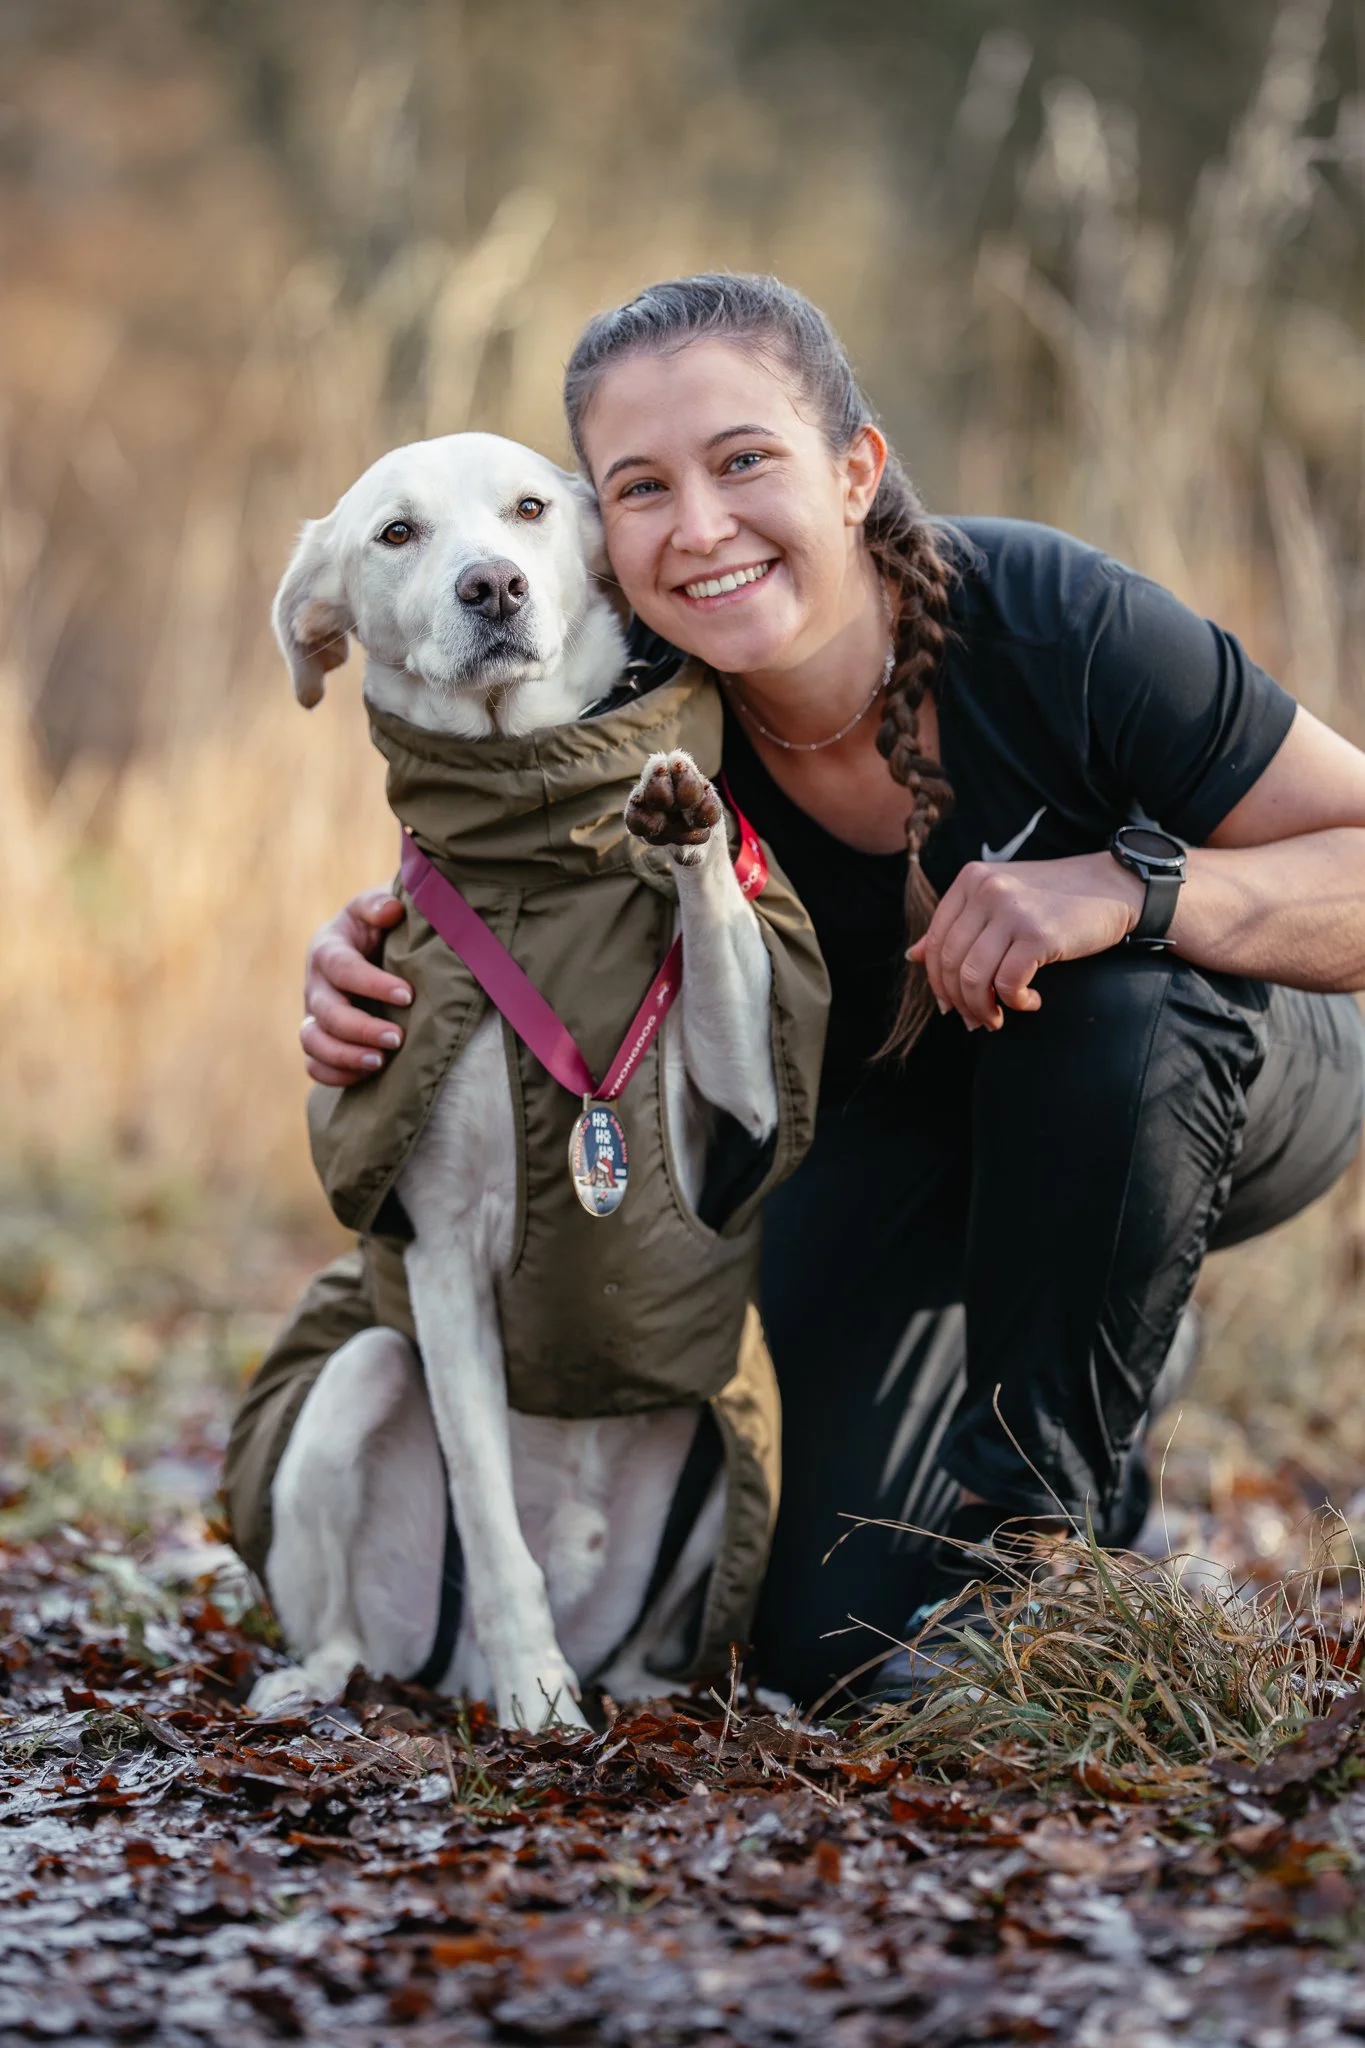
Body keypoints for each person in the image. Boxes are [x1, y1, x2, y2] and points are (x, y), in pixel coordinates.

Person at [269, 273, 1365, 1707]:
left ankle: (1051, 1539)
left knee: (1111, 1002)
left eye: (744, 462)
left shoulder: (1058, 621)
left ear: (856, 471)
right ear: (600, 540)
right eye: (643, 488)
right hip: (904, 1129)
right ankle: (1071, 1326)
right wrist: (360, 951)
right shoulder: (630, 695)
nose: (703, 526)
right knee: (826, 1647)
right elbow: (499, 873)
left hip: (1217, 1071)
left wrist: (1129, 890)